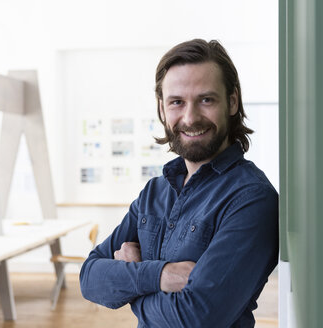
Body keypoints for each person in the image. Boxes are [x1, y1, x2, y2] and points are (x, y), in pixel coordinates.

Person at [80, 39, 278, 328]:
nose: (190, 117)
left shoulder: (252, 198)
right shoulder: (154, 192)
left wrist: (132, 285)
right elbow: (89, 278)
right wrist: (159, 276)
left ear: (232, 101)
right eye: (177, 102)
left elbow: (195, 318)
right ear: (162, 109)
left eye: (206, 100)